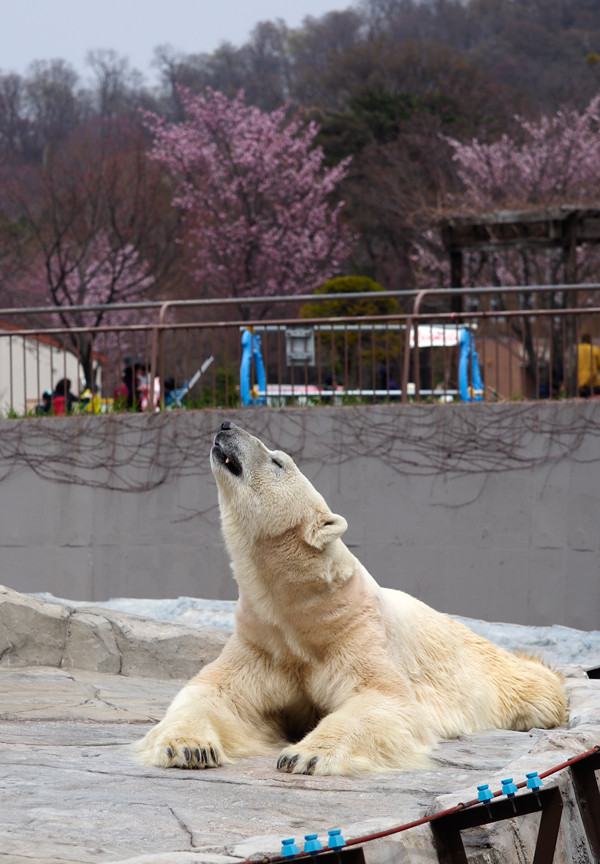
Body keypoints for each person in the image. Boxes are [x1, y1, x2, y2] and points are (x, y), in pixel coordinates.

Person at [577, 333, 600, 398]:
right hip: (592, 383)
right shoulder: (595, 349)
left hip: (577, 383)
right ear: (590, 340)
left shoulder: (577, 349)